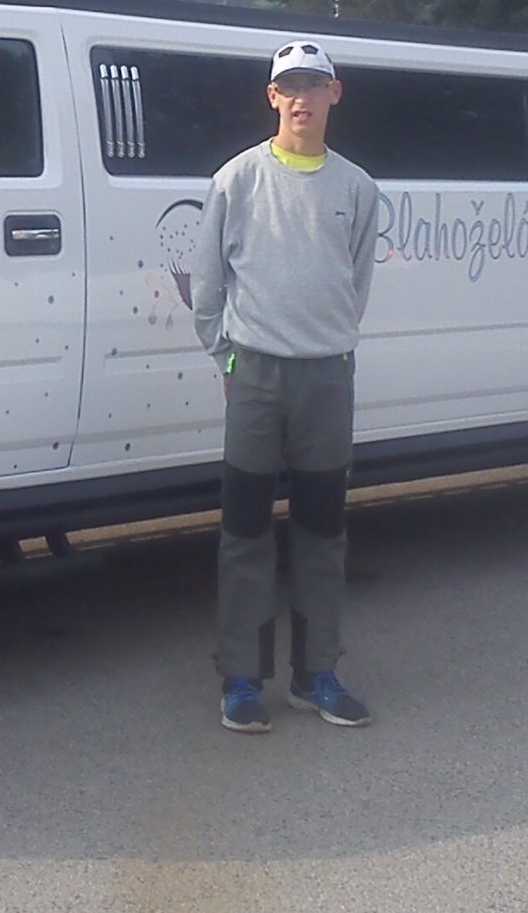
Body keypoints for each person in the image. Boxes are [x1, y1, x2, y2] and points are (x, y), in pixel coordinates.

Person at [191, 39, 379, 733]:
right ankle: (241, 678)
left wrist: (328, 345)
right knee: (244, 530)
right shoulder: (236, 180)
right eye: (289, 87)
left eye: (314, 85)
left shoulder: (357, 188)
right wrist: (229, 361)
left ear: (335, 94)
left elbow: (355, 283)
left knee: (322, 530)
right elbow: (207, 286)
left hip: (327, 379)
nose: (303, 98)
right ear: (272, 97)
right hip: (256, 376)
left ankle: (316, 674)